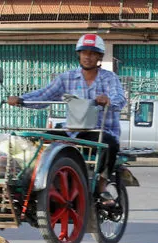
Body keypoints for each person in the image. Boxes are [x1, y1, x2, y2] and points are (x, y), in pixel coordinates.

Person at [7, 33, 127, 198]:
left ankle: (101, 186)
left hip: (100, 131)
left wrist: (108, 100)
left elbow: (119, 98)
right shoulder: (66, 78)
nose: (88, 57)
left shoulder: (109, 78)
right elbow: (45, 95)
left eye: (93, 53)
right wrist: (21, 100)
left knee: (110, 144)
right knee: (37, 140)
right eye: (84, 52)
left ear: (99, 57)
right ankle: (33, 181)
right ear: (78, 54)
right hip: (73, 130)